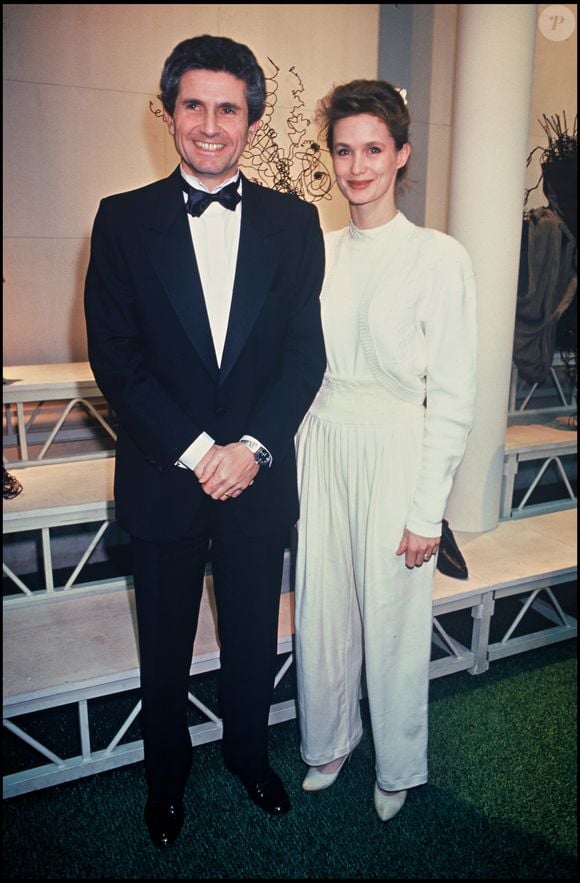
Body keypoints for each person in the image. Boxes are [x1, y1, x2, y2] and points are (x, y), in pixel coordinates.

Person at [84, 34, 326, 847]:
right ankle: (166, 775)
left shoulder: (296, 223)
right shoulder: (121, 220)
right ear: (170, 113)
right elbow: (114, 359)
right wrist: (198, 451)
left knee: (256, 630)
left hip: (256, 471)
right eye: (195, 105)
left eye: (229, 107)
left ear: (252, 120)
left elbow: (304, 353)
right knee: (164, 640)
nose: (211, 124)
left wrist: (250, 447)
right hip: (164, 470)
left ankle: (251, 756)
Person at [294, 79, 477, 822]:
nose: (357, 165)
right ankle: (330, 738)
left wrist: (426, 509)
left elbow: (456, 395)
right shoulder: (315, 251)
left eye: (373, 148)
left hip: (399, 445)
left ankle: (398, 761)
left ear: (401, 154)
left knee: (395, 618)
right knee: (323, 608)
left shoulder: (439, 257)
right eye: (343, 149)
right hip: (323, 441)